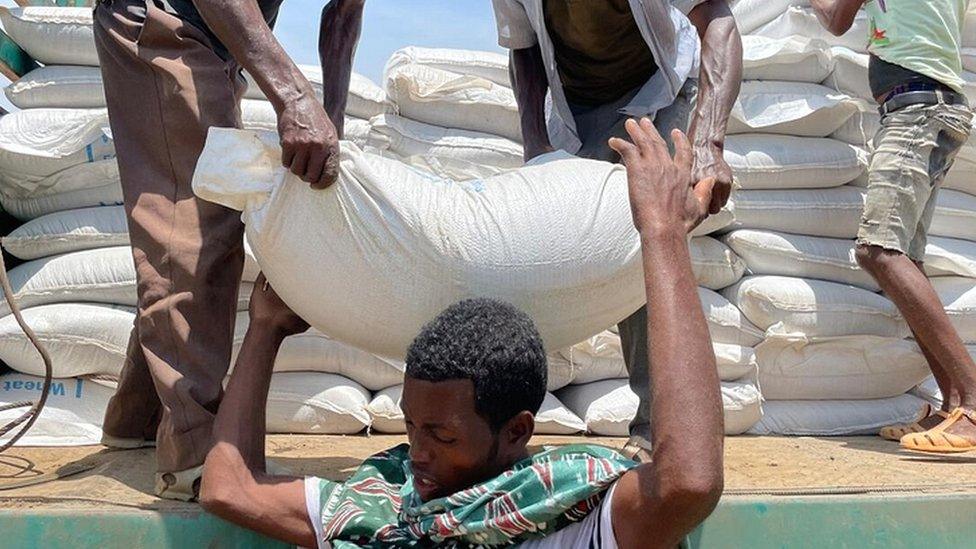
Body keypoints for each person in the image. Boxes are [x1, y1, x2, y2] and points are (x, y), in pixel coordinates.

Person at [198, 120, 725, 547]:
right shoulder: (383, 501)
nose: (417, 453)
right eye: (412, 426)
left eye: (442, 436)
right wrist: (264, 329)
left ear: (518, 430)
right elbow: (229, 489)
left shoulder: (570, 515)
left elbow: (688, 483)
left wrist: (662, 233)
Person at [92, 0, 367, 500]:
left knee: (190, 218)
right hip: (165, 17)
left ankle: (136, 419)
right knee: (195, 226)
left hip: (214, 38)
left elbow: (343, 15)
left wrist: (333, 118)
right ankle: (196, 458)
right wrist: (294, 95)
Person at [491, 0, 741, 461]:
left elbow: (717, 21)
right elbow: (524, 50)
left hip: (660, 86)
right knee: (536, 240)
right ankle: (502, 419)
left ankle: (657, 429)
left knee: (647, 239)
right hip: (576, 104)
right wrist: (535, 144)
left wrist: (708, 144)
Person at [810, 0, 976, 453]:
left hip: (915, 109)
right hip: (938, 106)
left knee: (878, 250)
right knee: (908, 262)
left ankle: (974, 404)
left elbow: (837, 19)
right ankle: (953, 406)